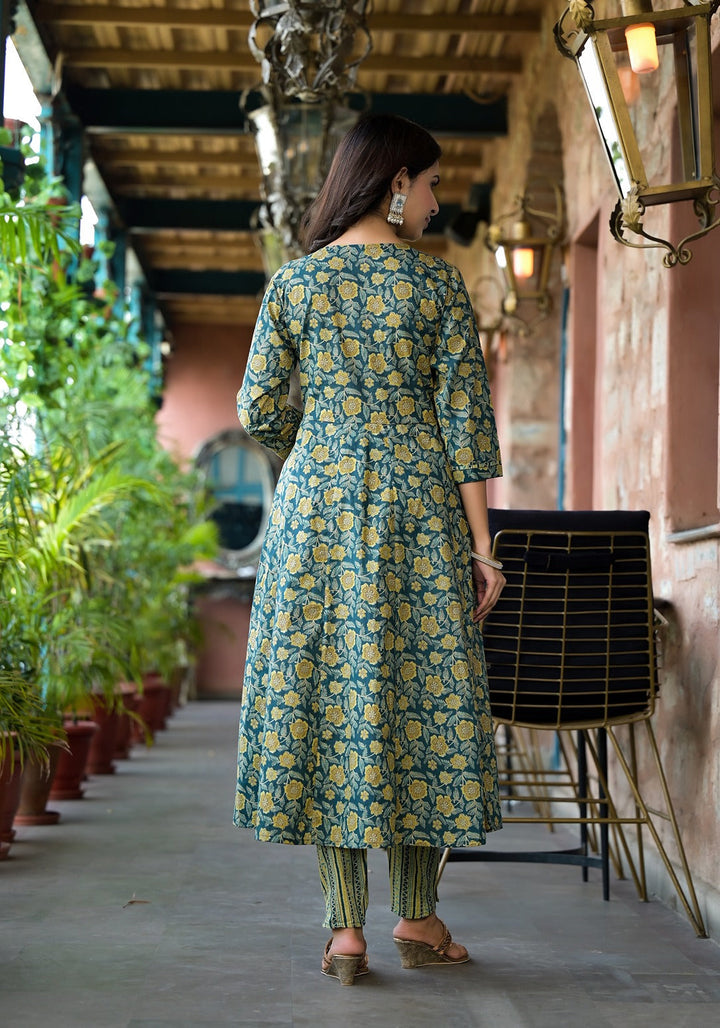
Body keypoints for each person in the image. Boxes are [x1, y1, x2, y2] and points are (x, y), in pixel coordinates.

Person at [234, 112, 505, 986]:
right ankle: (417, 918)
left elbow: (258, 410)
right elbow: (466, 427)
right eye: (431, 185)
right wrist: (484, 548)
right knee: (420, 698)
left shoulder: (295, 284)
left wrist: (320, 447)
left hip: (314, 513)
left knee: (330, 703)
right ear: (394, 183)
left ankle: (345, 932)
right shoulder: (436, 288)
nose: (436, 202)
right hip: (418, 512)